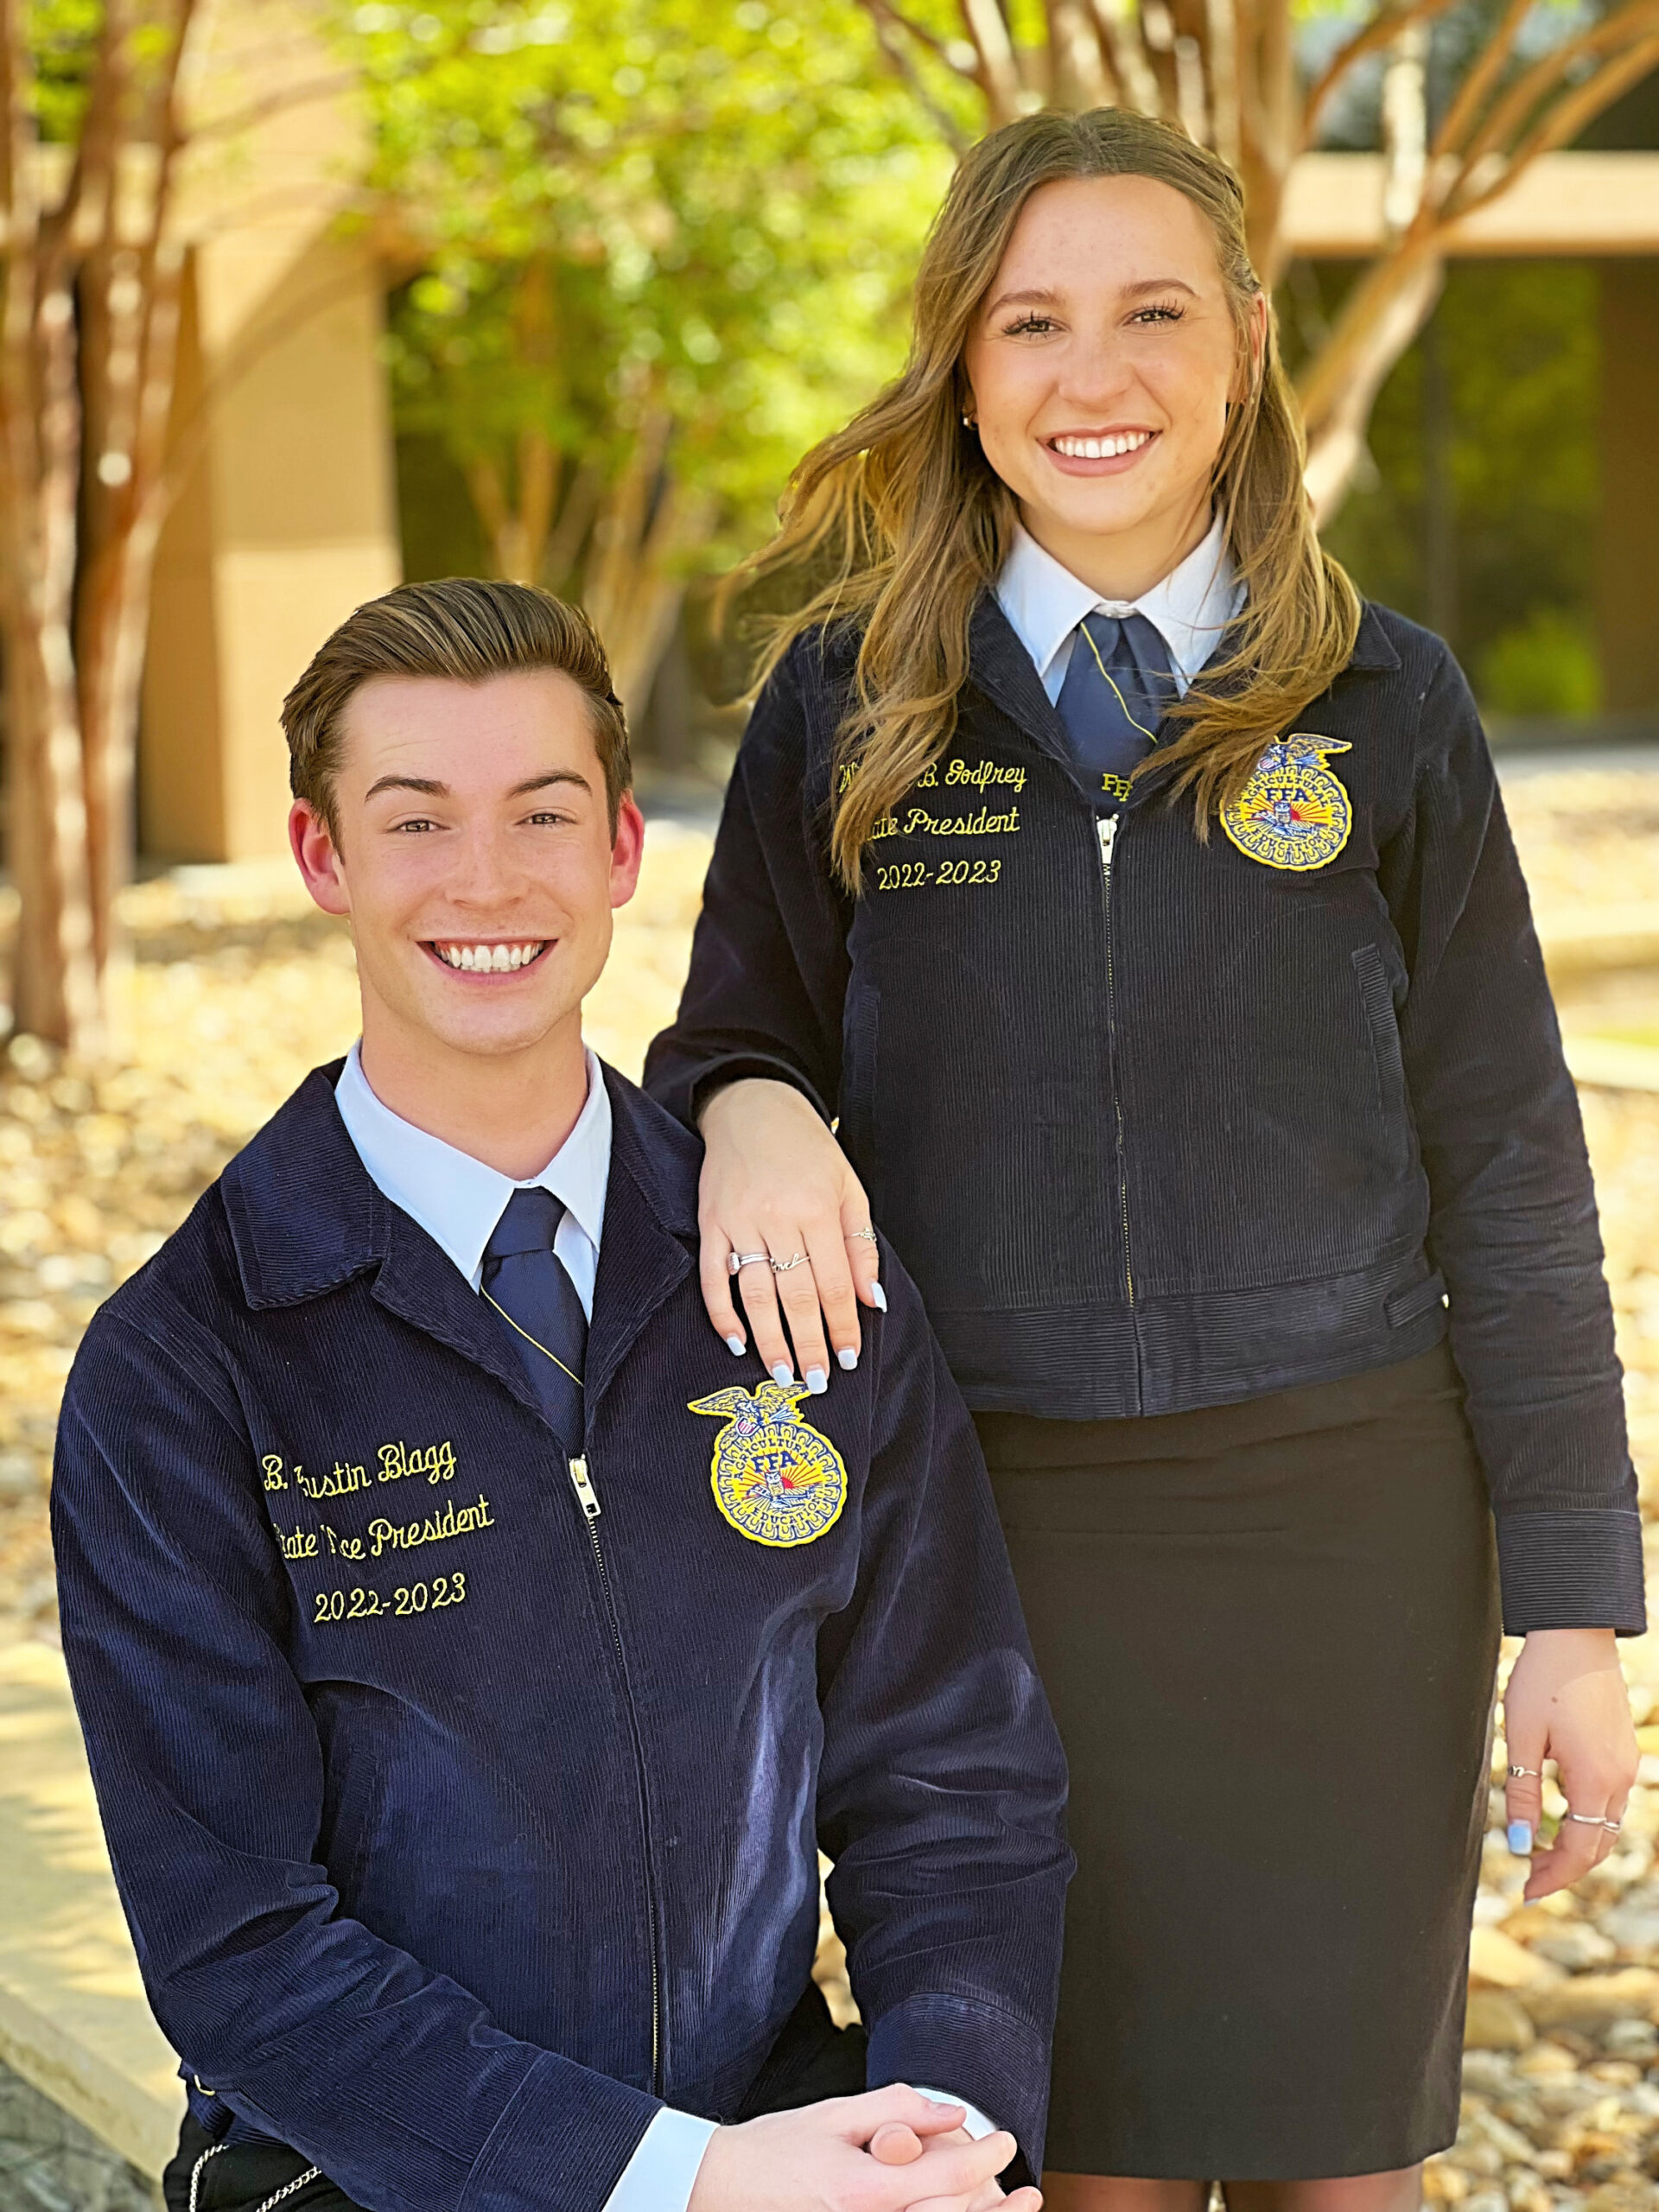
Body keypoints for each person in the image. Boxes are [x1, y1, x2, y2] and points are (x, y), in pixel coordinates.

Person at [644, 108, 1643, 2211]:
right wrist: (745, 1112)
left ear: (1248, 348)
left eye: (1151, 312)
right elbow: (733, 1029)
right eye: (1032, 322)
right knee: (1060, 2164)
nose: (1091, 376)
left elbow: (1516, 1170)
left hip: (1351, 1537)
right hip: (994, 1538)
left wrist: (1575, 1613)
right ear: (964, 363)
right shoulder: (849, 705)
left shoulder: (1390, 706)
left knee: (1333, 2171)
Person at [50, 580, 1071, 2212]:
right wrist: (676, 2182)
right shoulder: (186, 1366)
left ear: (619, 854)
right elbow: (239, 1950)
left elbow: (956, 1775)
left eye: (543, 813)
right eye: (414, 821)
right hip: (373, 2177)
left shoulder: (801, 1272)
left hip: (792, 2130)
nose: (485, 881)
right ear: (322, 860)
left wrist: (938, 2122)